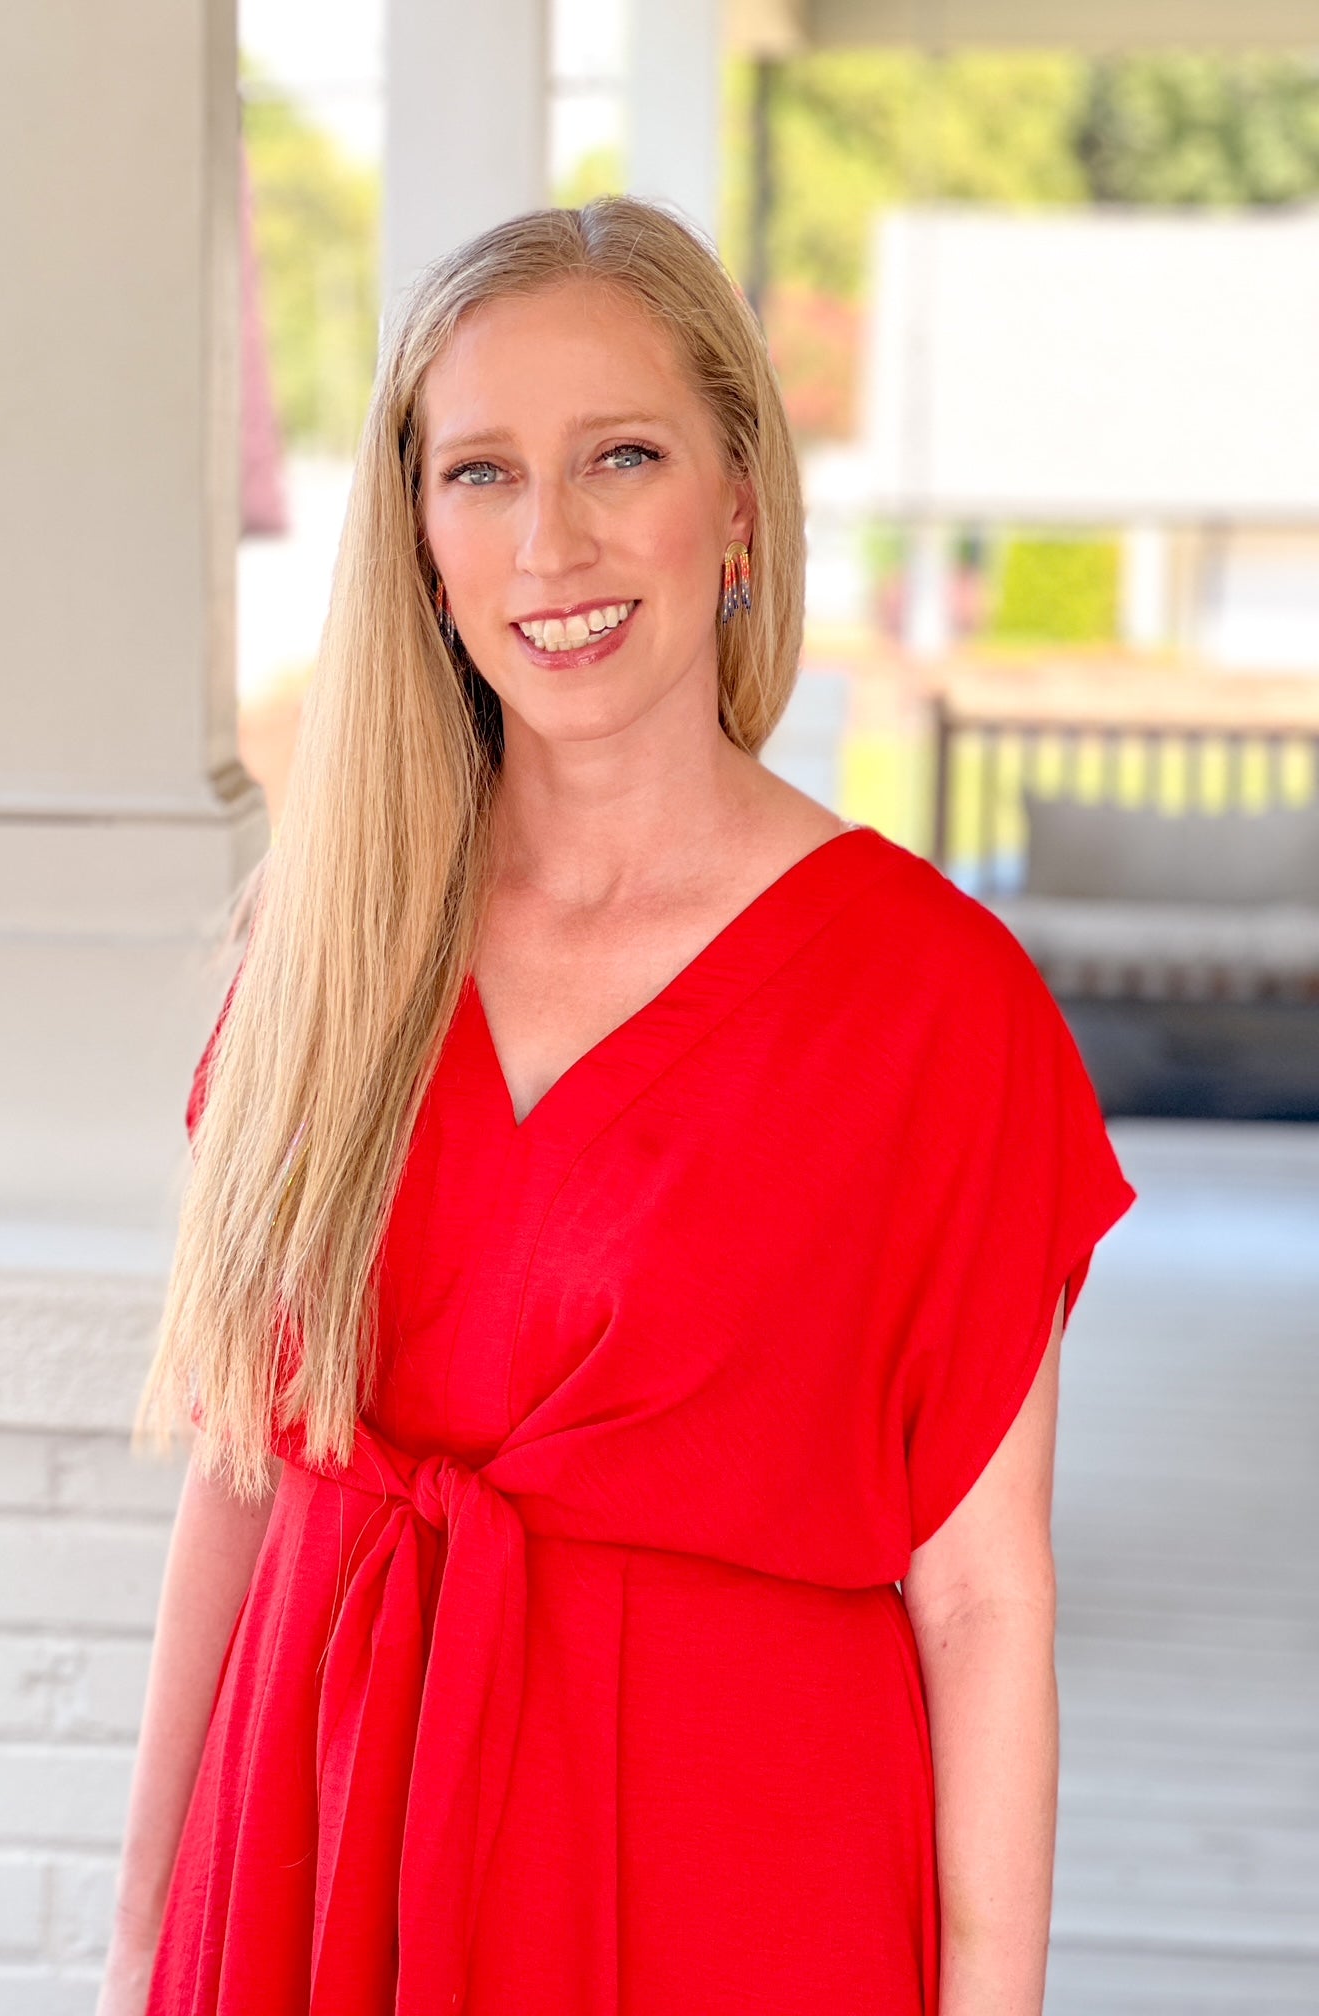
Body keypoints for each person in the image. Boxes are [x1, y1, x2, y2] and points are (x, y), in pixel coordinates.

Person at [98, 195, 1137, 2016]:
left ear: (736, 503)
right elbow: (241, 1488)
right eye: (481, 473)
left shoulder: (933, 1003)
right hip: (316, 1862)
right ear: (420, 539)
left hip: (731, 1890)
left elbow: (982, 1601)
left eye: (622, 456)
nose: (551, 542)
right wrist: (135, 1951)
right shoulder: (328, 948)